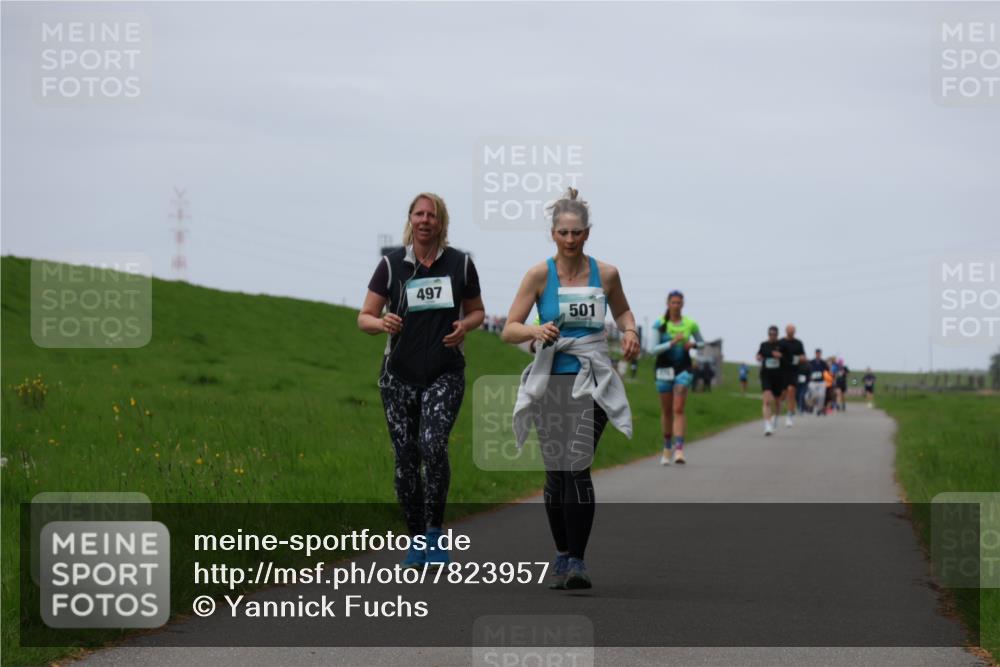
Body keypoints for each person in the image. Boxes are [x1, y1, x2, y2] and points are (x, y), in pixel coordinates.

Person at [502, 188, 639, 591]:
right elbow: (510, 328)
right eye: (563, 232)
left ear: (588, 233)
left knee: (577, 465)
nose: (570, 240)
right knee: (556, 473)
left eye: (577, 232)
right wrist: (534, 329)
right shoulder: (538, 275)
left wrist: (629, 330)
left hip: (591, 379)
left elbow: (624, 311)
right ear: (552, 233)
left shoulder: (607, 274)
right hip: (550, 382)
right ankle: (562, 552)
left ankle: (577, 560)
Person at [358, 192, 485, 568]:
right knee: (406, 459)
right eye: (419, 214)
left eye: (432, 215)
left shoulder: (460, 264)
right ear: (410, 219)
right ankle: (414, 538)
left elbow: (478, 311)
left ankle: (435, 532)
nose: (425, 220)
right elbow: (364, 316)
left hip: (444, 372)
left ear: (441, 222)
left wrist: (466, 325)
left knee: (432, 445)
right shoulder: (391, 265)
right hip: (398, 376)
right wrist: (382, 322)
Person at [651, 291, 705, 464]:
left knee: (679, 408)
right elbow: (653, 349)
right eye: (673, 302)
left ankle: (679, 450)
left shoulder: (690, 323)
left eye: (679, 302)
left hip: (683, 369)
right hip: (664, 369)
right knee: (667, 411)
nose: (676, 305)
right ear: (667, 303)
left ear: (683, 304)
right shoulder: (660, 323)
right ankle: (667, 447)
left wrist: (693, 344)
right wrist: (671, 343)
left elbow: (702, 342)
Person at [756, 325, 784, 435]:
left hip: (778, 376)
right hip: (766, 375)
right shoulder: (764, 345)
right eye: (770, 334)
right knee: (767, 400)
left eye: (774, 334)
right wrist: (759, 356)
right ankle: (767, 425)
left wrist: (780, 356)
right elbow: (760, 354)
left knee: (777, 401)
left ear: (777, 335)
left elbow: (786, 357)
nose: (772, 336)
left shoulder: (781, 345)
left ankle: (775, 419)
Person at [778, 324, 806, 428]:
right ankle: (776, 412)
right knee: (782, 394)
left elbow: (803, 355)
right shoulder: (781, 342)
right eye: (790, 330)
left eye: (793, 331)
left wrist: (801, 358)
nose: (791, 332)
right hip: (782, 370)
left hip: (794, 371)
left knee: (791, 391)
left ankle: (789, 415)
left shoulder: (798, 343)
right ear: (786, 331)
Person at [807, 349, 829, 415]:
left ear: (821, 354)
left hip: (821, 381)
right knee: (814, 395)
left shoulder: (823, 363)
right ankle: (811, 405)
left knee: (822, 395)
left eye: (819, 353)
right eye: (817, 353)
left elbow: (827, 371)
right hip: (813, 382)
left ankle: (819, 409)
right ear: (815, 354)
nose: (818, 355)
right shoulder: (811, 362)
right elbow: (807, 370)